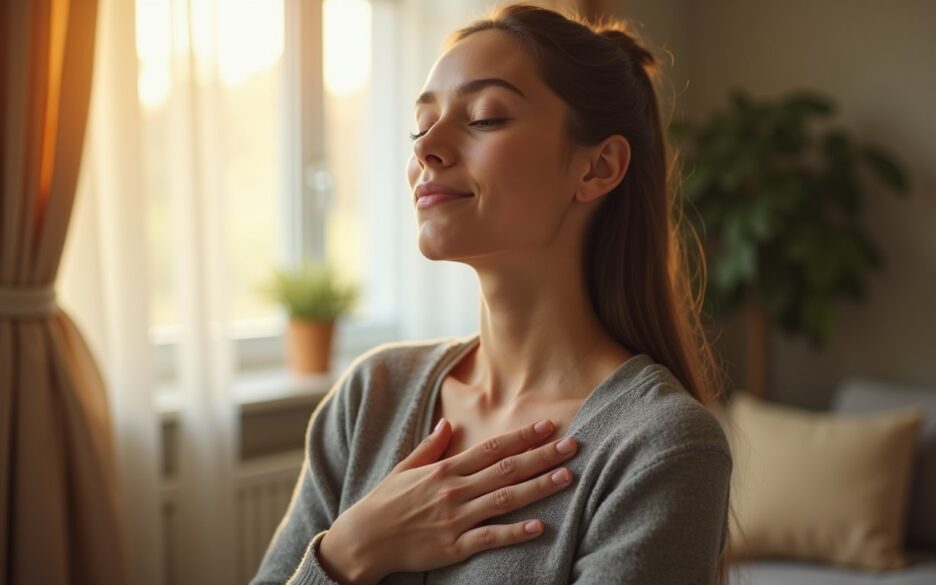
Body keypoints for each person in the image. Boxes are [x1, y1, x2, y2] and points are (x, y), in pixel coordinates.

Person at [251, 4, 732, 584]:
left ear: (597, 167)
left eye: (483, 118)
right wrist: (349, 551)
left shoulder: (659, 446)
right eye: (420, 125)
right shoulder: (370, 399)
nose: (426, 149)